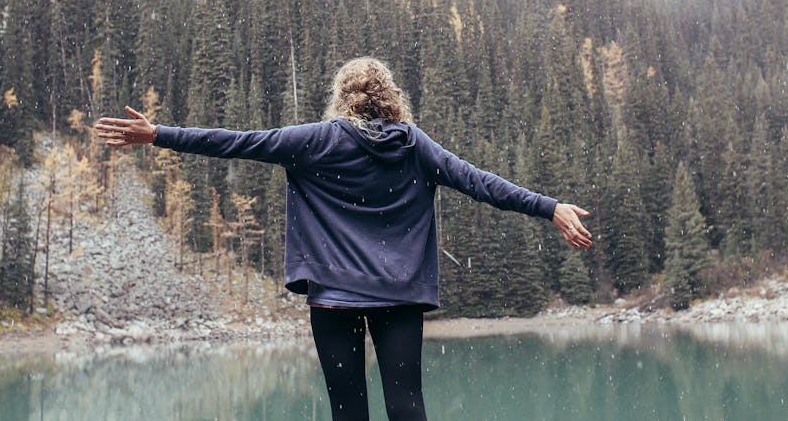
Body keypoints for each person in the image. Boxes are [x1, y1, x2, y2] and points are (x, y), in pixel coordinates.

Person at [95, 56, 592, 421]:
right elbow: (481, 182)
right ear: (391, 98)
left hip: (334, 299)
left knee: (347, 410)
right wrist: (549, 207)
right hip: (399, 296)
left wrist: (158, 133)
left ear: (342, 97)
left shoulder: (316, 141)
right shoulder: (414, 146)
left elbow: (235, 142)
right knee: (406, 404)